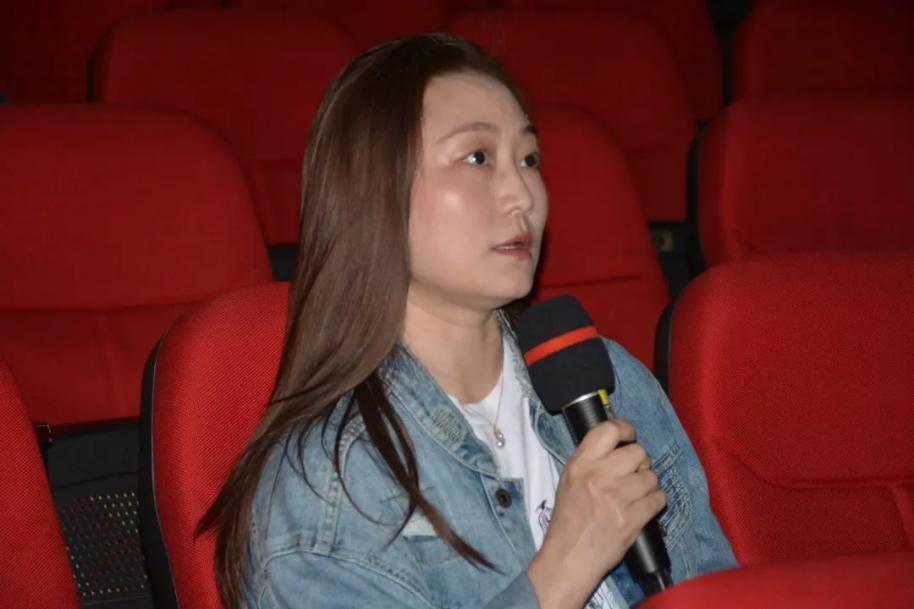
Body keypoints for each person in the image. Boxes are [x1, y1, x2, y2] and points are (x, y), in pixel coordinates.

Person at [200, 33, 737, 609]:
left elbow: (716, 590)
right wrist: (564, 569)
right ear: (375, 192)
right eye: (477, 158)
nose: (522, 195)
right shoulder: (329, 488)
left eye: (529, 159)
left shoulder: (606, 378)